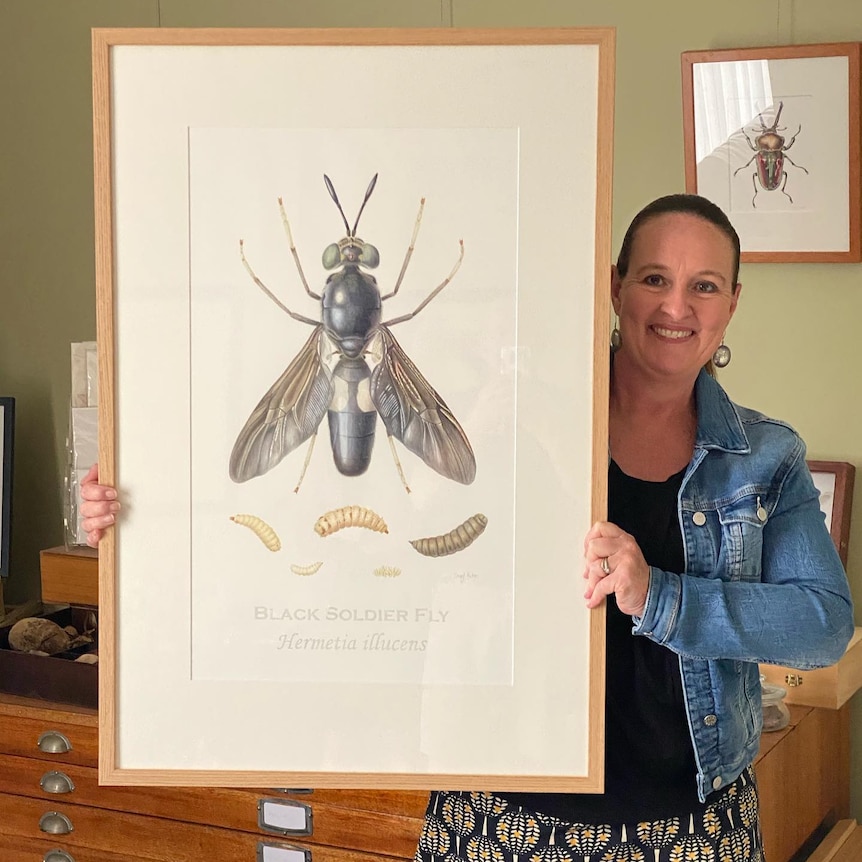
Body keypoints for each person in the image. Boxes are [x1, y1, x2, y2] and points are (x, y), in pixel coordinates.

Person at [81, 194, 854, 862]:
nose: (675, 307)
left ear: (732, 303)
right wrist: (142, 517)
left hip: (690, 826)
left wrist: (661, 596)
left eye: (703, 286)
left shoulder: (766, 455)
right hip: (501, 811)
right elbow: (360, 532)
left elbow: (822, 625)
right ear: (616, 289)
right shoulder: (512, 420)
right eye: (654, 278)